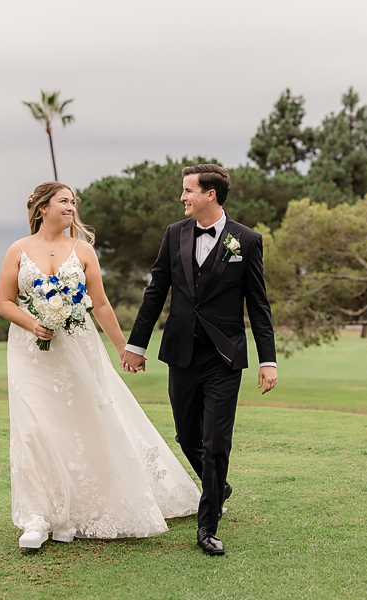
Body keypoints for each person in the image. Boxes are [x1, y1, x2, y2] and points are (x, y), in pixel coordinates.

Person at [0, 181, 201, 549]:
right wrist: (33, 323)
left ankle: (81, 508)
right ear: (42, 208)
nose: (71, 207)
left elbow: (101, 304)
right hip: (30, 351)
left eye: (73, 202)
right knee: (33, 428)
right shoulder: (18, 250)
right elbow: (5, 302)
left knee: (82, 424)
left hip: (78, 348)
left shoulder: (83, 250)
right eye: (63, 201)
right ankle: (38, 516)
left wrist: (125, 348)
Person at [122, 164, 278, 556]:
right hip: (181, 353)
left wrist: (268, 360)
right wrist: (136, 345)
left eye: (188, 190)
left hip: (224, 357)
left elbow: (258, 305)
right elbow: (156, 292)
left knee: (216, 441)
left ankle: (207, 525)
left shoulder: (247, 240)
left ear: (211, 194)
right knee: (187, 436)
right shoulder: (174, 234)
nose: (182, 197)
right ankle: (217, 484)